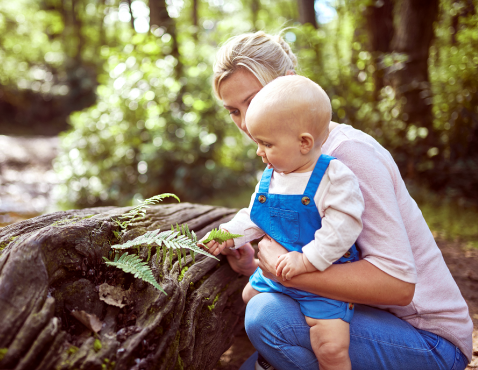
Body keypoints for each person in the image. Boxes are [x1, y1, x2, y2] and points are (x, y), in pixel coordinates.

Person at [209, 31, 473, 370]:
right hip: (358, 315)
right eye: (234, 110)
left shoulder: (348, 155)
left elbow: (399, 285)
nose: (245, 122)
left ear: (292, 83)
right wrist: (253, 262)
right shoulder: (287, 158)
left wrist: (285, 273)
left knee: (267, 317)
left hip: (427, 340)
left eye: (255, 99)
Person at [200, 75, 365, 370]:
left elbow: (343, 228)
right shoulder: (273, 175)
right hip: (281, 274)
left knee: (330, 346)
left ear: (304, 142)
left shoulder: (334, 176)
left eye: (266, 144)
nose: (258, 151)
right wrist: (229, 235)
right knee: (249, 294)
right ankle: (276, 352)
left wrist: (306, 260)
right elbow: (255, 216)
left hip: (322, 280)